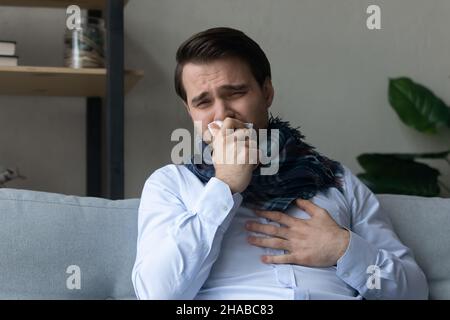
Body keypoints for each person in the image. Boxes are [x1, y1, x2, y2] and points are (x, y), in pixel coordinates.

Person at [131, 27, 428, 300]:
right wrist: (224, 186)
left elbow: (414, 291)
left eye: (235, 93)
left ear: (267, 92)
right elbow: (157, 293)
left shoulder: (335, 179)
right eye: (203, 102)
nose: (222, 114)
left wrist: (344, 248)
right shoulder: (171, 185)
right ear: (190, 111)